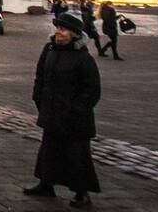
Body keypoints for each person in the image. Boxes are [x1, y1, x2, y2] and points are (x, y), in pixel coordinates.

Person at [24, 12, 102, 209]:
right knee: (49, 151)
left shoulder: (83, 59)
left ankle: (82, 193)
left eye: (64, 29)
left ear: (75, 35)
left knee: (77, 156)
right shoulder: (49, 50)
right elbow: (40, 75)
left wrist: (76, 109)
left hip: (75, 118)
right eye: (58, 28)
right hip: (51, 111)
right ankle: (46, 184)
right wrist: (38, 98)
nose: (59, 32)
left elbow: (92, 90)